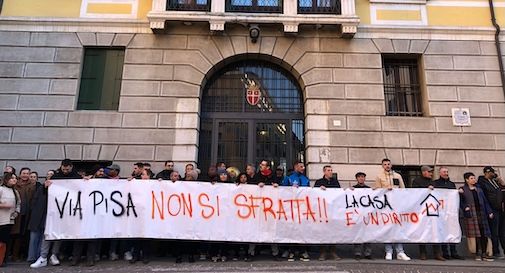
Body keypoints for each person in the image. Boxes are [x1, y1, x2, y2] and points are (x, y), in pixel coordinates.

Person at [374, 158, 411, 261]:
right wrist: (385, 190)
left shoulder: (397, 176)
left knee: (398, 228)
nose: (387, 166)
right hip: (385, 208)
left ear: (391, 165)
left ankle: (400, 251)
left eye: (388, 164)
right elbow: (376, 192)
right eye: (385, 164)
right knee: (387, 229)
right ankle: (388, 251)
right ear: (382, 166)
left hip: (397, 206)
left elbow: (403, 190)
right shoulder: (379, 177)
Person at [412, 165, 445, 261]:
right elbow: (414, 193)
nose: (431, 173)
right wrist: (426, 188)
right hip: (422, 211)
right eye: (429, 172)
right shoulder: (416, 181)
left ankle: (437, 253)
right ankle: (423, 253)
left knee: (435, 231)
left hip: (433, 211)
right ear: (424, 172)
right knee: (422, 231)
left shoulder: (433, 182)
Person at [459, 172, 494, 261]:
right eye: (471, 178)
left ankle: (484, 253)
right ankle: (477, 253)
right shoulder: (463, 189)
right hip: (471, 214)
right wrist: (465, 207)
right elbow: (461, 202)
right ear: (467, 180)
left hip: (481, 213)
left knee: (484, 233)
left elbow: (485, 201)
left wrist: (489, 211)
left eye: (474, 178)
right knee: (475, 235)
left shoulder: (479, 189)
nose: (474, 180)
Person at [433, 167, 464, 260]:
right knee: (443, 231)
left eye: (447, 172)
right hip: (441, 212)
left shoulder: (451, 184)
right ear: (440, 173)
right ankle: (445, 252)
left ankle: (454, 252)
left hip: (450, 211)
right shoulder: (435, 183)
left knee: (452, 230)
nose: (446, 173)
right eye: (444, 172)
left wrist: (458, 192)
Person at [282, 161, 310, 262]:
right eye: (301, 166)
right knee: (292, 230)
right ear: (295, 167)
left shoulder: (306, 179)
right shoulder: (288, 178)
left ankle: (303, 251)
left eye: (303, 166)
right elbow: (282, 191)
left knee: (302, 230)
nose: (303, 168)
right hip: (291, 208)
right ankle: (292, 251)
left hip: (302, 208)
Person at [477, 166, 505, 258]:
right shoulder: (482, 183)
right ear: (487, 173)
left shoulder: (496, 181)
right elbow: (484, 197)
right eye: (492, 173)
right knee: (495, 231)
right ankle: (496, 251)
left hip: (500, 209)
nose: (494, 174)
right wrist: (489, 210)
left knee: (502, 231)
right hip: (492, 209)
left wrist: (502, 184)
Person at [314, 165, 341, 261]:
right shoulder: (319, 182)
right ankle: (323, 252)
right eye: (328, 170)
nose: (330, 172)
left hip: (333, 210)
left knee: (333, 232)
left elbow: (339, 193)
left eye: (331, 170)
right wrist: (319, 189)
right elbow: (314, 194)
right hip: (322, 210)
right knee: (323, 232)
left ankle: (333, 252)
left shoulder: (335, 182)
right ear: (324, 172)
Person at [11, 167, 35, 262]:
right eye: (23, 173)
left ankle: (18, 255)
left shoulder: (32, 186)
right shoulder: (15, 185)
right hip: (15, 213)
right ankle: (10, 254)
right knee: (13, 234)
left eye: (27, 173)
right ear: (20, 174)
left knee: (22, 235)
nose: (25, 175)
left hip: (26, 213)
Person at [351, 172, 373, 259]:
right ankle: (358, 253)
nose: (361, 178)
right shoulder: (353, 189)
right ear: (357, 179)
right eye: (359, 177)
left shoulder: (368, 189)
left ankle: (368, 253)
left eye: (363, 177)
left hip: (366, 214)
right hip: (357, 214)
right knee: (357, 233)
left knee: (367, 233)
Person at [0, 173, 21, 267]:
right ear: (6, 179)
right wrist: (4, 206)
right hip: (1, 219)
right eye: (12, 178)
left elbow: (18, 204)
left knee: (5, 240)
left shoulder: (15, 192)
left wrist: (16, 213)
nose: (14, 180)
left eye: (15, 178)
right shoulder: (0, 189)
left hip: (9, 220)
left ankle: (2, 259)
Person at [27, 171, 43, 263]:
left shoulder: (39, 187)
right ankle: (31, 256)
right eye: (31, 176)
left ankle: (37, 256)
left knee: (39, 236)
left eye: (34, 176)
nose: (32, 178)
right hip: (33, 214)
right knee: (34, 237)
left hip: (37, 215)